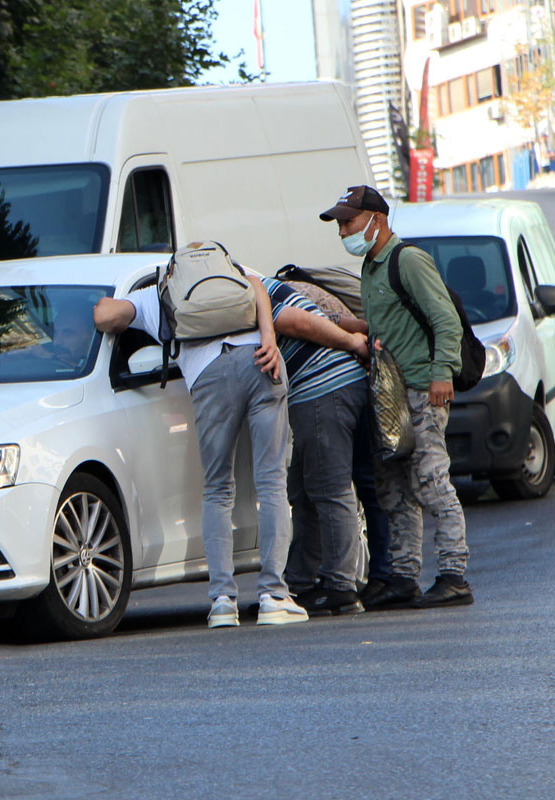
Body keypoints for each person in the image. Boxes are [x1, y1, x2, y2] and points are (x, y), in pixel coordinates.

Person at [93, 254, 308, 627]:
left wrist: (99, 302)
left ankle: (223, 601)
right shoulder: (235, 272)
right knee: (271, 481)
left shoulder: (158, 290)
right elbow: (261, 289)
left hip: (210, 373)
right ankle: (274, 596)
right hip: (261, 359)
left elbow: (106, 318)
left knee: (217, 489)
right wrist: (269, 339)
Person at [320, 185, 472, 608]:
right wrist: (348, 325)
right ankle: (404, 578)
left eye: (348, 222)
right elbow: (385, 325)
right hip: (391, 396)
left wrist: (442, 375)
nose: (342, 232)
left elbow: (446, 321)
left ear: (376, 220)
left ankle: (453, 575)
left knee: (431, 480)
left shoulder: (407, 260)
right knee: (394, 487)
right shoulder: (371, 267)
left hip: (424, 390)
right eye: (339, 224)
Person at [260, 274, 371, 615]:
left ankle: (340, 586)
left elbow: (296, 321)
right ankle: (301, 582)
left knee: (329, 489)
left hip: (323, 389)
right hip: (337, 386)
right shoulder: (264, 283)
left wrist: (353, 342)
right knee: (305, 490)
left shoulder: (250, 291)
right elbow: (326, 318)